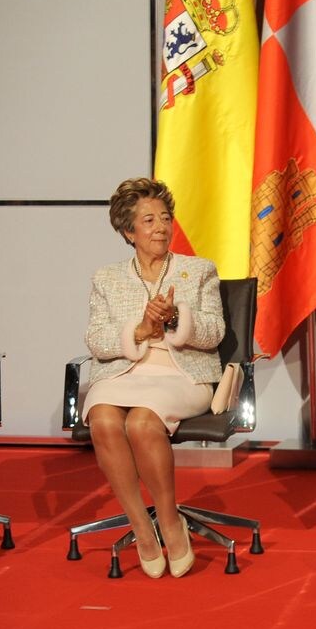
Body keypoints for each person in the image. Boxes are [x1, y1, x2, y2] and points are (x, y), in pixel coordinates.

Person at [83, 177, 226, 579]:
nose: (161, 226)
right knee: (105, 418)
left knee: (142, 420)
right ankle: (141, 527)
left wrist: (177, 318)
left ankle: (169, 520)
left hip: (182, 373)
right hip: (123, 370)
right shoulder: (107, 278)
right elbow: (95, 339)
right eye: (148, 220)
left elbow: (215, 332)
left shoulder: (198, 270)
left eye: (165, 218)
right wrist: (142, 329)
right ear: (129, 231)